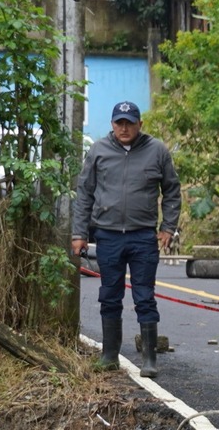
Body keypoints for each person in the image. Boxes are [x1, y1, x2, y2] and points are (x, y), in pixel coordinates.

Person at [73, 101, 181, 378]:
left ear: (139, 124)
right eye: (119, 122)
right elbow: (84, 193)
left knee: (144, 296)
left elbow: (171, 190)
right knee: (110, 295)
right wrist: (79, 234)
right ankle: (109, 355)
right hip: (108, 235)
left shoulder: (157, 150)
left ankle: (149, 359)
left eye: (129, 123)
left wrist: (168, 227)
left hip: (143, 235)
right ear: (112, 124)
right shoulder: (98, 150)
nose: (124, 128)